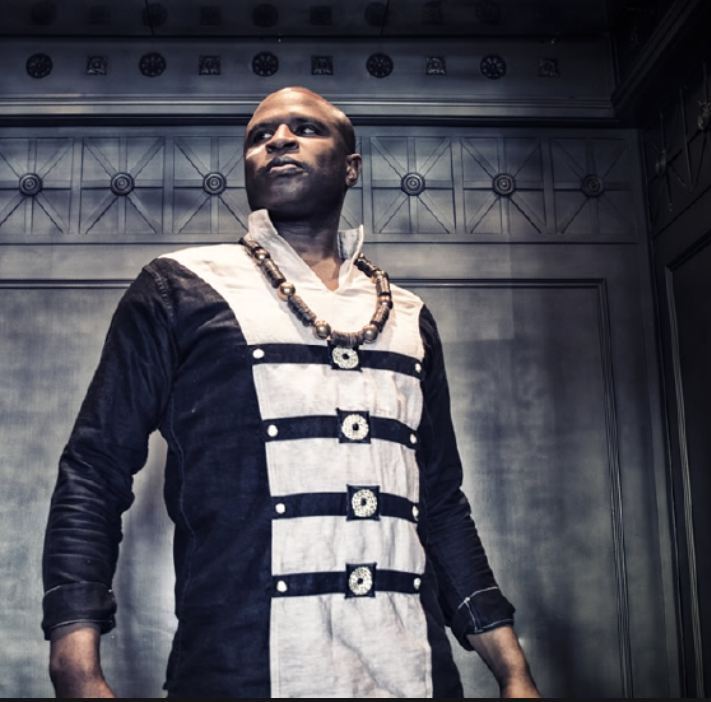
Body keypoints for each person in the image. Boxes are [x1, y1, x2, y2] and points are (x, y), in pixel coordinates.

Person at [41, 87, 541, 698]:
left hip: (413, 672)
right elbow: (94, 468)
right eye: (260, 136)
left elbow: (438, 503)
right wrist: (74, 664)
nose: (278, 140)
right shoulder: (179, 288)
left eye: (305, 129)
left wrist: (513, 671)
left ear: (351, 167)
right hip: (236, 671)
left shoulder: (409, 316)